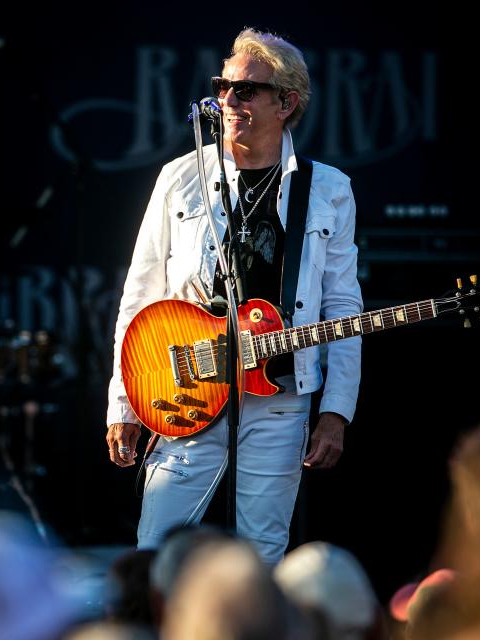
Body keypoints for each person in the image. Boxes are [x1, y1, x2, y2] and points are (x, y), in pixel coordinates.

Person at [105, 28, 362, 563]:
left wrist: (336, 411)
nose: (228, 100)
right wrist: (124, 402)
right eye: (223, 87)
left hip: (280, 397)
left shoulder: (329, 188)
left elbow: (342, 306)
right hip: (185, 388)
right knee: (157, 552)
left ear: (285, 103)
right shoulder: (180, 178)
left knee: (262, 555)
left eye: (245, 91)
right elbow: (140, 293)